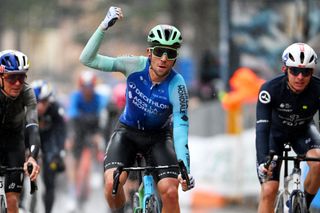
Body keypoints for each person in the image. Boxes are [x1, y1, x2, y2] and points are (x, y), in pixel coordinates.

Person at [80, 6, 195, 213]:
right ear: (149, 52)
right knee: (112, 188)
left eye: (170, 54)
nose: (164, 59)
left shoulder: (177, 85)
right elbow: (87, 59)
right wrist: (103, 27)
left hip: (159, 137)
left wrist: (184, 166)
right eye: (159, 52)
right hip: (127, 133)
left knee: (170, 192)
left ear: (176, 57)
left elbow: (180, 125)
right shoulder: (133, 65)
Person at [256, 42, 320, 212]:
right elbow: (262, 128)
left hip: (303, 130)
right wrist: (263, 161)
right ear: (285, 69)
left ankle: (302, 206)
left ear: (312, 72)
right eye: (295, 70)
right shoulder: (270, 90)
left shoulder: (318, 89)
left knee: (319, 163)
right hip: (274, 134)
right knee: (269, 190)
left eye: (306, 72)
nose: (300, 77)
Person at [0, 49, 41, 213]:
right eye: (12, 78)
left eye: (22, 77)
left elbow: (32, 126)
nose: (17, 83)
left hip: (14, 142)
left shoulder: (27, 92)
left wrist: (32, 157)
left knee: (12, 201)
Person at [65, 70, 107, 209]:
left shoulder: (99, 98)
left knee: (99, 142)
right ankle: (72, 193)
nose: (87, 90)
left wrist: (99, 134)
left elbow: (103, 116)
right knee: (72, 158)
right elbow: (72, 117)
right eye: (85, 86)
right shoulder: (76, 96)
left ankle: (96, 169)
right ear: (80, 86)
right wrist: (71, 137)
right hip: (79, 128)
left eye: (90, 87)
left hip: (94, 127)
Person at [30, 80, 66, 213]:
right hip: (30, 140)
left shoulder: (56, 109)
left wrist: (60, 153)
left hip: (49, 142)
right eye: (36, 102)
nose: (39, 106)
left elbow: (61, 132)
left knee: (49, 180)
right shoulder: (25, 108)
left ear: (49, 101)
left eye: (43, 102)